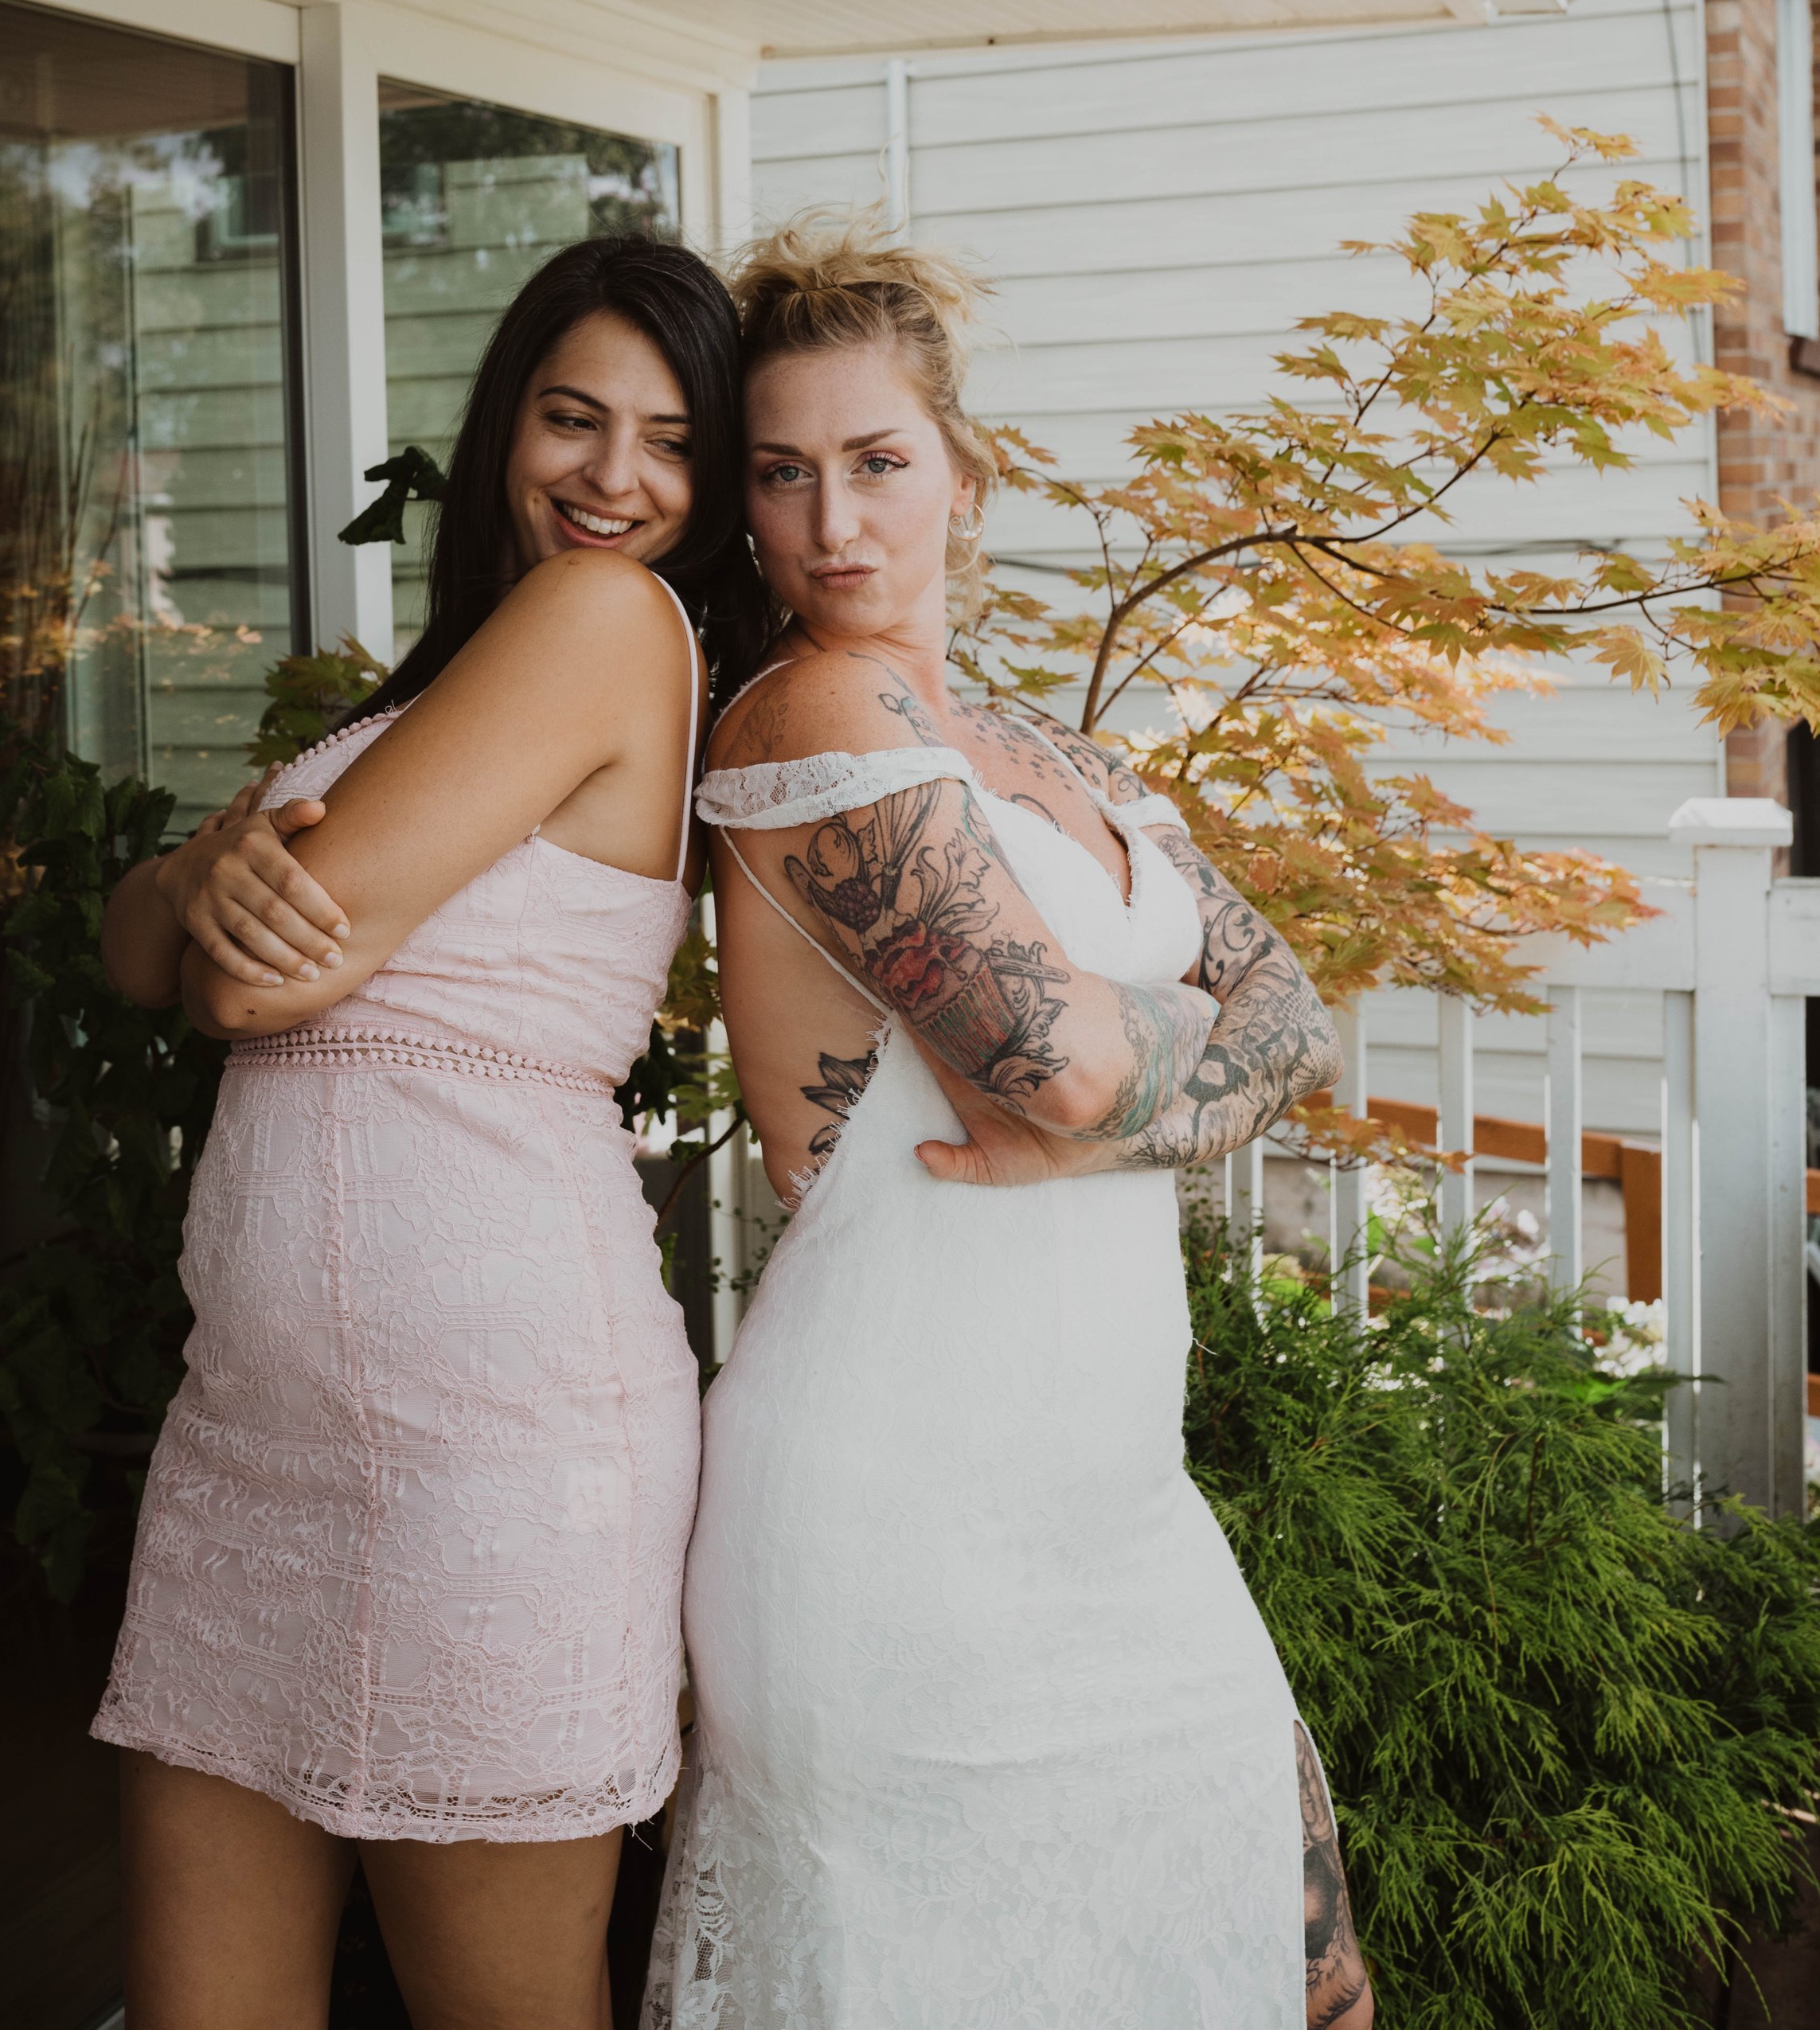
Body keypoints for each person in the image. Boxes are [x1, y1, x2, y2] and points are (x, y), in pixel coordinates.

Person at [640, 218, 1373, 2028]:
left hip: (1112, 1492)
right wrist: (1133, 1076)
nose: (833, 521)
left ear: (963, 475)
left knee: (1304, 1978)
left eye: (878, 461)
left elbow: (1299, 1015)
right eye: (782, 474)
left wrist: (1109, 1092)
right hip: (898, 1518)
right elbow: (1066, 1068)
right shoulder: (812, 713)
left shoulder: (1053, 751)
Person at [92, 236, 769, 2030]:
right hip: (255, 1448)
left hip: (498, 1464)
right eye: (570, 417)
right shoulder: (424, 695)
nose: (612, 476)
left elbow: (238, 989)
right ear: (501, 429)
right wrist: (190, 884)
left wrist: (210, 894)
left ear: (713, 486)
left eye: (670, 441)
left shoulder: (611, 621)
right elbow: (136, 945)